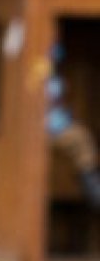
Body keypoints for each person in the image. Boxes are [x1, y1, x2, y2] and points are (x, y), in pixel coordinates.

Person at [46, 43, 100, 211]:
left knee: (82, 138)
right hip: (50, 130)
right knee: (82, 139)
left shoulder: (53, 76)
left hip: (57, 127)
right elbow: (50, 107)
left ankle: (91, 186)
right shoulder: (43, 75)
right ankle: (93, 190)